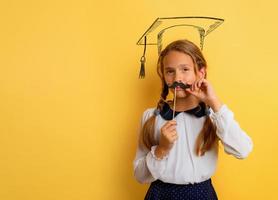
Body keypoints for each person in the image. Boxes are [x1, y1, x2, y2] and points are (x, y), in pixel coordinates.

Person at [133, 39, 253, 200]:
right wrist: (162, 149)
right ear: (163, 76)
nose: (177, 78)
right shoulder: (151, 117)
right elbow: (140, 176)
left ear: (200, 73)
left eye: (185, 69)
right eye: (170, 71)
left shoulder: (214, 116)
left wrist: (215, 103)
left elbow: (242, 150)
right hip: (160, 195)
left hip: (201, 195)